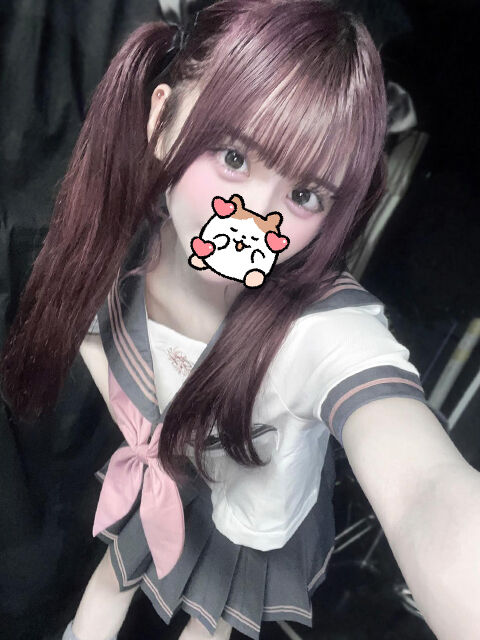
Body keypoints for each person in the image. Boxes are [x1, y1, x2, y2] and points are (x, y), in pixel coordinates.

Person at [1, 1, 479, 640]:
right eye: (233, 157)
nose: (256, 215)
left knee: (216, 607)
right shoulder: (112, 245)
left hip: (246, 504)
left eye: (305, 195)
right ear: (162, 120)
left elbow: (426, 489)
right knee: (117, 570)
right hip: (164, 477)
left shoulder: (316, 330)